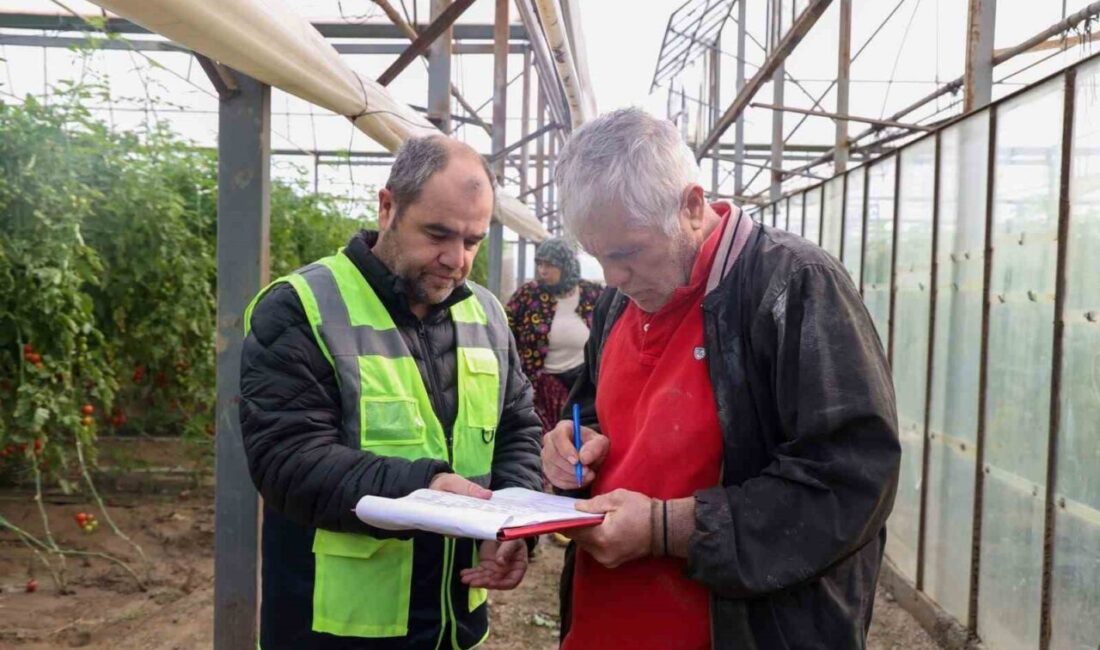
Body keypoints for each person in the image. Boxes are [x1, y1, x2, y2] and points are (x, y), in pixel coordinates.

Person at [541, 108, 900, 649]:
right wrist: (575, 445)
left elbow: (851, 481)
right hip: (605, 625)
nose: (612, 278)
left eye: (628, 252)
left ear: (690, 206)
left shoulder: (792, 285)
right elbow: (594, 410)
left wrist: (665, 528)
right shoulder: (619, 301)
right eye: (597, 257)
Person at [239, 135, 543, 649]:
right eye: (438, 234)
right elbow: (286, 459)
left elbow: (518, 426)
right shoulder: (302, 307)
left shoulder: (487, 315)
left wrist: (510, 526)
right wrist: (424, 489)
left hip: (454, 626)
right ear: (387, 208)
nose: (455, 259)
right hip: (335, 630)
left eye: (472, 241)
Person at [505, 238, 602, 433]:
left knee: (579, 438)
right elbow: (506, 334)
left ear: (566, 265)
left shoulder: (593, 294)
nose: (542, 270)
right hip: (541, 388)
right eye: (539, 264)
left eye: (550, 265)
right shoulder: (528, 295)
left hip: (583, 386)